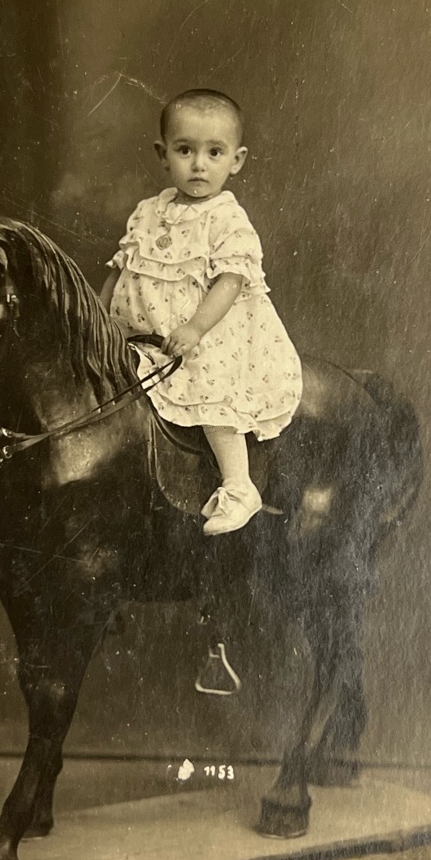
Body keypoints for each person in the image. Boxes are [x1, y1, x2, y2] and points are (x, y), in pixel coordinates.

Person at [100, 88, 303, 537]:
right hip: (141, 335)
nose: (199, 165)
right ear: (163, 154)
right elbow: (121, 269)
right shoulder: (147, 213)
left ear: (237, 160)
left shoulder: (226, 218)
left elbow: (230, 281)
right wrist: (96, 319)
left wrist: (195, 327)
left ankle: (238, 486)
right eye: (185, 150)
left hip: (209, 334)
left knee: (211, 389)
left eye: (215, 153)